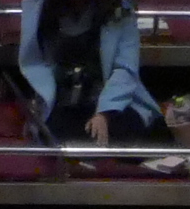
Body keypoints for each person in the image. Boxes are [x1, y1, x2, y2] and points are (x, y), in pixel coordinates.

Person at [20, 0, 154, 144]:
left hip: (114, 102)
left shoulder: (122, 12)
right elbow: (41, 69)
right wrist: (39, 106)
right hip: (64, 103)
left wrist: (104, 113)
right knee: (50, 132)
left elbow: (125, 70)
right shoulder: (44, 13)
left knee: (115, 130)